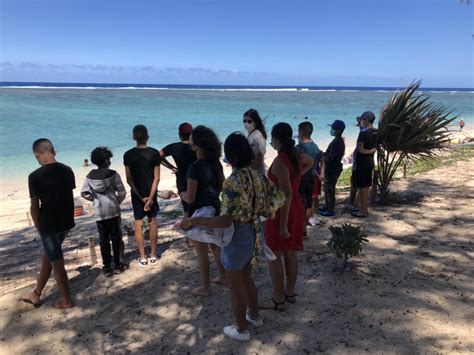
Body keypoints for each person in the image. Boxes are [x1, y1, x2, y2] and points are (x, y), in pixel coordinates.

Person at [180, 132, 285, 341]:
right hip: (254, 232)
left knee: (235, 285)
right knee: (247, 279)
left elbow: (226, 221)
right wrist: (258, 212)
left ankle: (241, 328)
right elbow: (277, 198)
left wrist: (194, 221)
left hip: (237, 236)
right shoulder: (257, 175)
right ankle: (254, 317)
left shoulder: (233, 182)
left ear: (229, 156)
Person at [264, 122, 313, 310]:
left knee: (274, 255)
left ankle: (278, 298)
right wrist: (296, 177)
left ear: (276, 140)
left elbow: (286, 194)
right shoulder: (294, 156)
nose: (271, 142)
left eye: (271, 139)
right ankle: (290, 292)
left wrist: (283, 225)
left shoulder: (280, 161)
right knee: (290, 252)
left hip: (282, 211)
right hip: (295, 208)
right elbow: (310, 162)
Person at [21, 139, 75, 309]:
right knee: (50, 255)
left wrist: (38, 225)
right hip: (66, 221)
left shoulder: (35, 176)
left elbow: (34, 206)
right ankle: (37, 293)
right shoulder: (68, 170)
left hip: (49, 224)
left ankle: (66, 300)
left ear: (37, 154)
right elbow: (66, 195)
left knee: (57, 263)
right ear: (54, 151)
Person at [180, 125, 227, 296]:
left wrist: (181, 193)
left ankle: (205, 287)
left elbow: (190, 197)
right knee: (215, 246)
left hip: (198, 212)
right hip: (214, 207)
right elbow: (222, 185)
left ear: (197, 144)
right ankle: (223, 276)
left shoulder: (195, 167)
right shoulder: (216, 164)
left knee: (201, 252)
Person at [81, 147, 127, 276]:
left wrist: (95, 199)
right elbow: (122, 191)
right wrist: (116, 201)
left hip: (99, 213)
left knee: (103, 240)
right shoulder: (113, 174)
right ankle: (118, 264)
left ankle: (107, 267)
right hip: (113, 210)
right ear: (107, 160)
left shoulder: (89, 176)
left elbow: (84, 193)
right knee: (116, 238)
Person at [123, 124, 161, 267]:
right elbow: (156, 178)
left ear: (133, 137)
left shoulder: (128, 155)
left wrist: (141, 197)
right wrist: (150, 198)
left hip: (137, 194)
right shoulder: (154, 153)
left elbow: (129, 179)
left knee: (138, 224)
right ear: (147, 136)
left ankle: (143, 257)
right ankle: (153, 255)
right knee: (152, 222)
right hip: (151, 192)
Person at [160, 122, 197, 218]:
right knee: (198, 204)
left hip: (182, 178)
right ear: (192, 134)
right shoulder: (197, 147)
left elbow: (158, 156)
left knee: (186, 207)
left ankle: (188, 227)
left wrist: (171, 167)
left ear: (180, 135)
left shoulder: (173, 147)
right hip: (197, 177)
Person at [296, 122, 321, 234]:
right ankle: (304, 228)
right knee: (309, 202)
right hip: (311, 176)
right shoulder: (315, 147)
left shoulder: (299, 147)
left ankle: (301, 228)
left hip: (301, 177)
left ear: (301, 132)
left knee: (300, 203)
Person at [352, 111, 377, 218]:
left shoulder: (363, 133)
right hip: (370, 162)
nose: (360, 121)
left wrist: (370, 151)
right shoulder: (375, 131)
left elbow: (360, 149)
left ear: (366, 120)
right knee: (366, 187)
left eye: (362, 119)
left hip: (361, 163)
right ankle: (364, 209)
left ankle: (362, 211)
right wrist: (372, 151)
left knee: (362, 188)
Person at [319, 120, 346, 217]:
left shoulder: (337, 142)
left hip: (333, 169)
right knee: (326, 188)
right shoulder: (338, 140)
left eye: (333, 129)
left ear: (338, 131)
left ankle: (330, 210)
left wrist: (323, 158)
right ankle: (327, 206)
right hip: (332, 168)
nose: (331, 130)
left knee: (330, 189)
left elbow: (331, 157)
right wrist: (323, 153)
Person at [243, 109, 267, 173]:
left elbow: (259, 158)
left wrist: (249, 172)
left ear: (255, 122)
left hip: (256, 170)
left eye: (249, 121)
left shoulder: (256, 136)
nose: (246, 123)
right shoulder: (252, 133)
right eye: (244, 121)